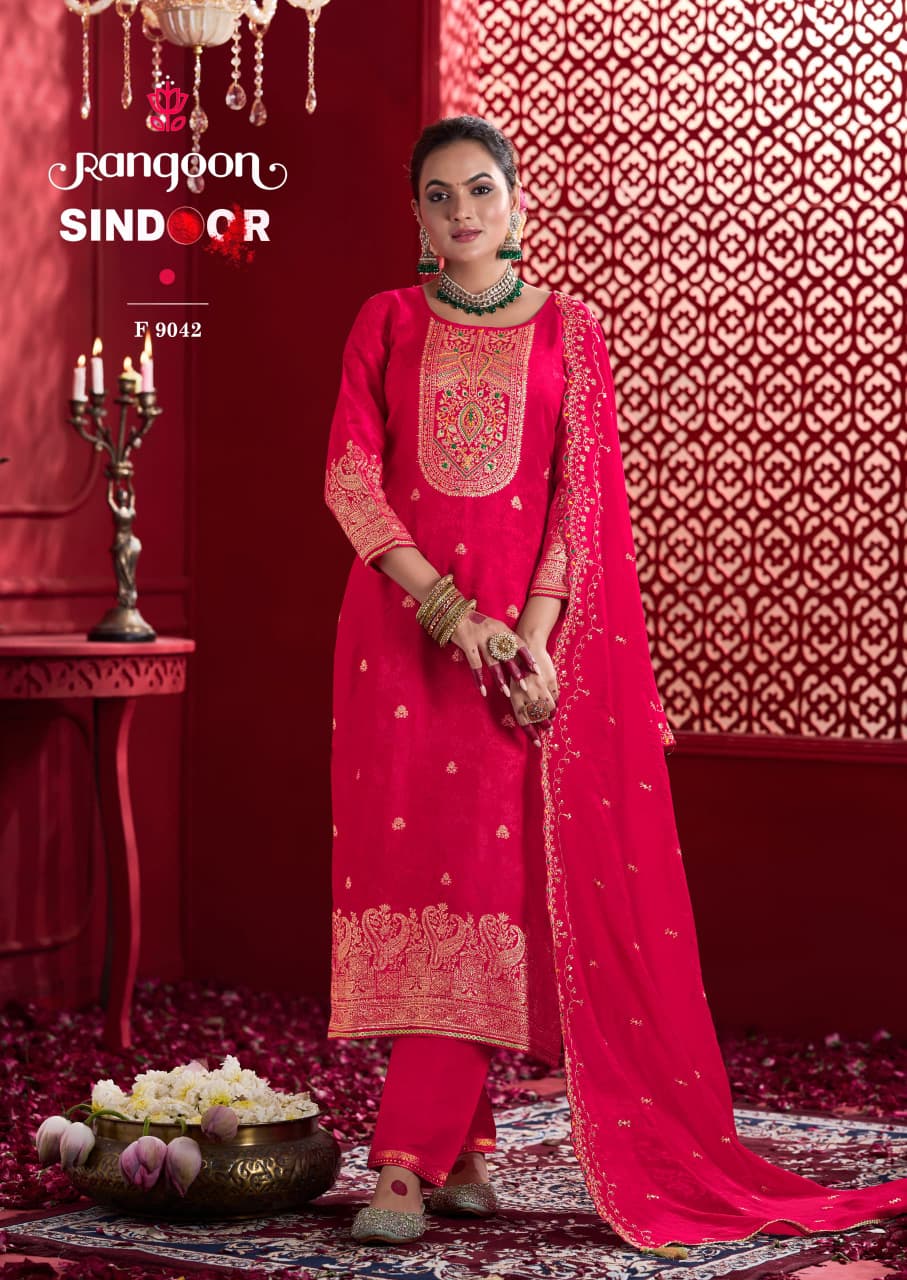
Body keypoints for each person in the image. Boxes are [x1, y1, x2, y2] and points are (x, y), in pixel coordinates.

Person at [322, 115, 907, 1255]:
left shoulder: (570, 331)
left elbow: (577, 503)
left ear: (516, 200)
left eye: (479, 189)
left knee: (486, 878)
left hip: (518, 655)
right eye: (437, 195)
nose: (460, 212)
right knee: (420, 876)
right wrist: (448, 612)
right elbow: (349, 479)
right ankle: (465, 1147)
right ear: (416, 214)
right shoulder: (384, 320)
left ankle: (401, 1158)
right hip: (399, 641)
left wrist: (527, 642)